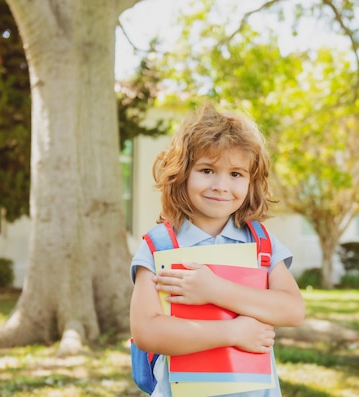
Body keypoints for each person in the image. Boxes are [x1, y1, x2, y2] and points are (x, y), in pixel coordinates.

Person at [129, 102, 305, 397]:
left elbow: (293, 310)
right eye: (207, 170)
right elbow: (147, 332)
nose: (221, 185)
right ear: (182, 173)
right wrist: (232, 333)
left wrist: (215, 290)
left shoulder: (262, 243)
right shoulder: (159, 246)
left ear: (251, 181)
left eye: (236, 174)